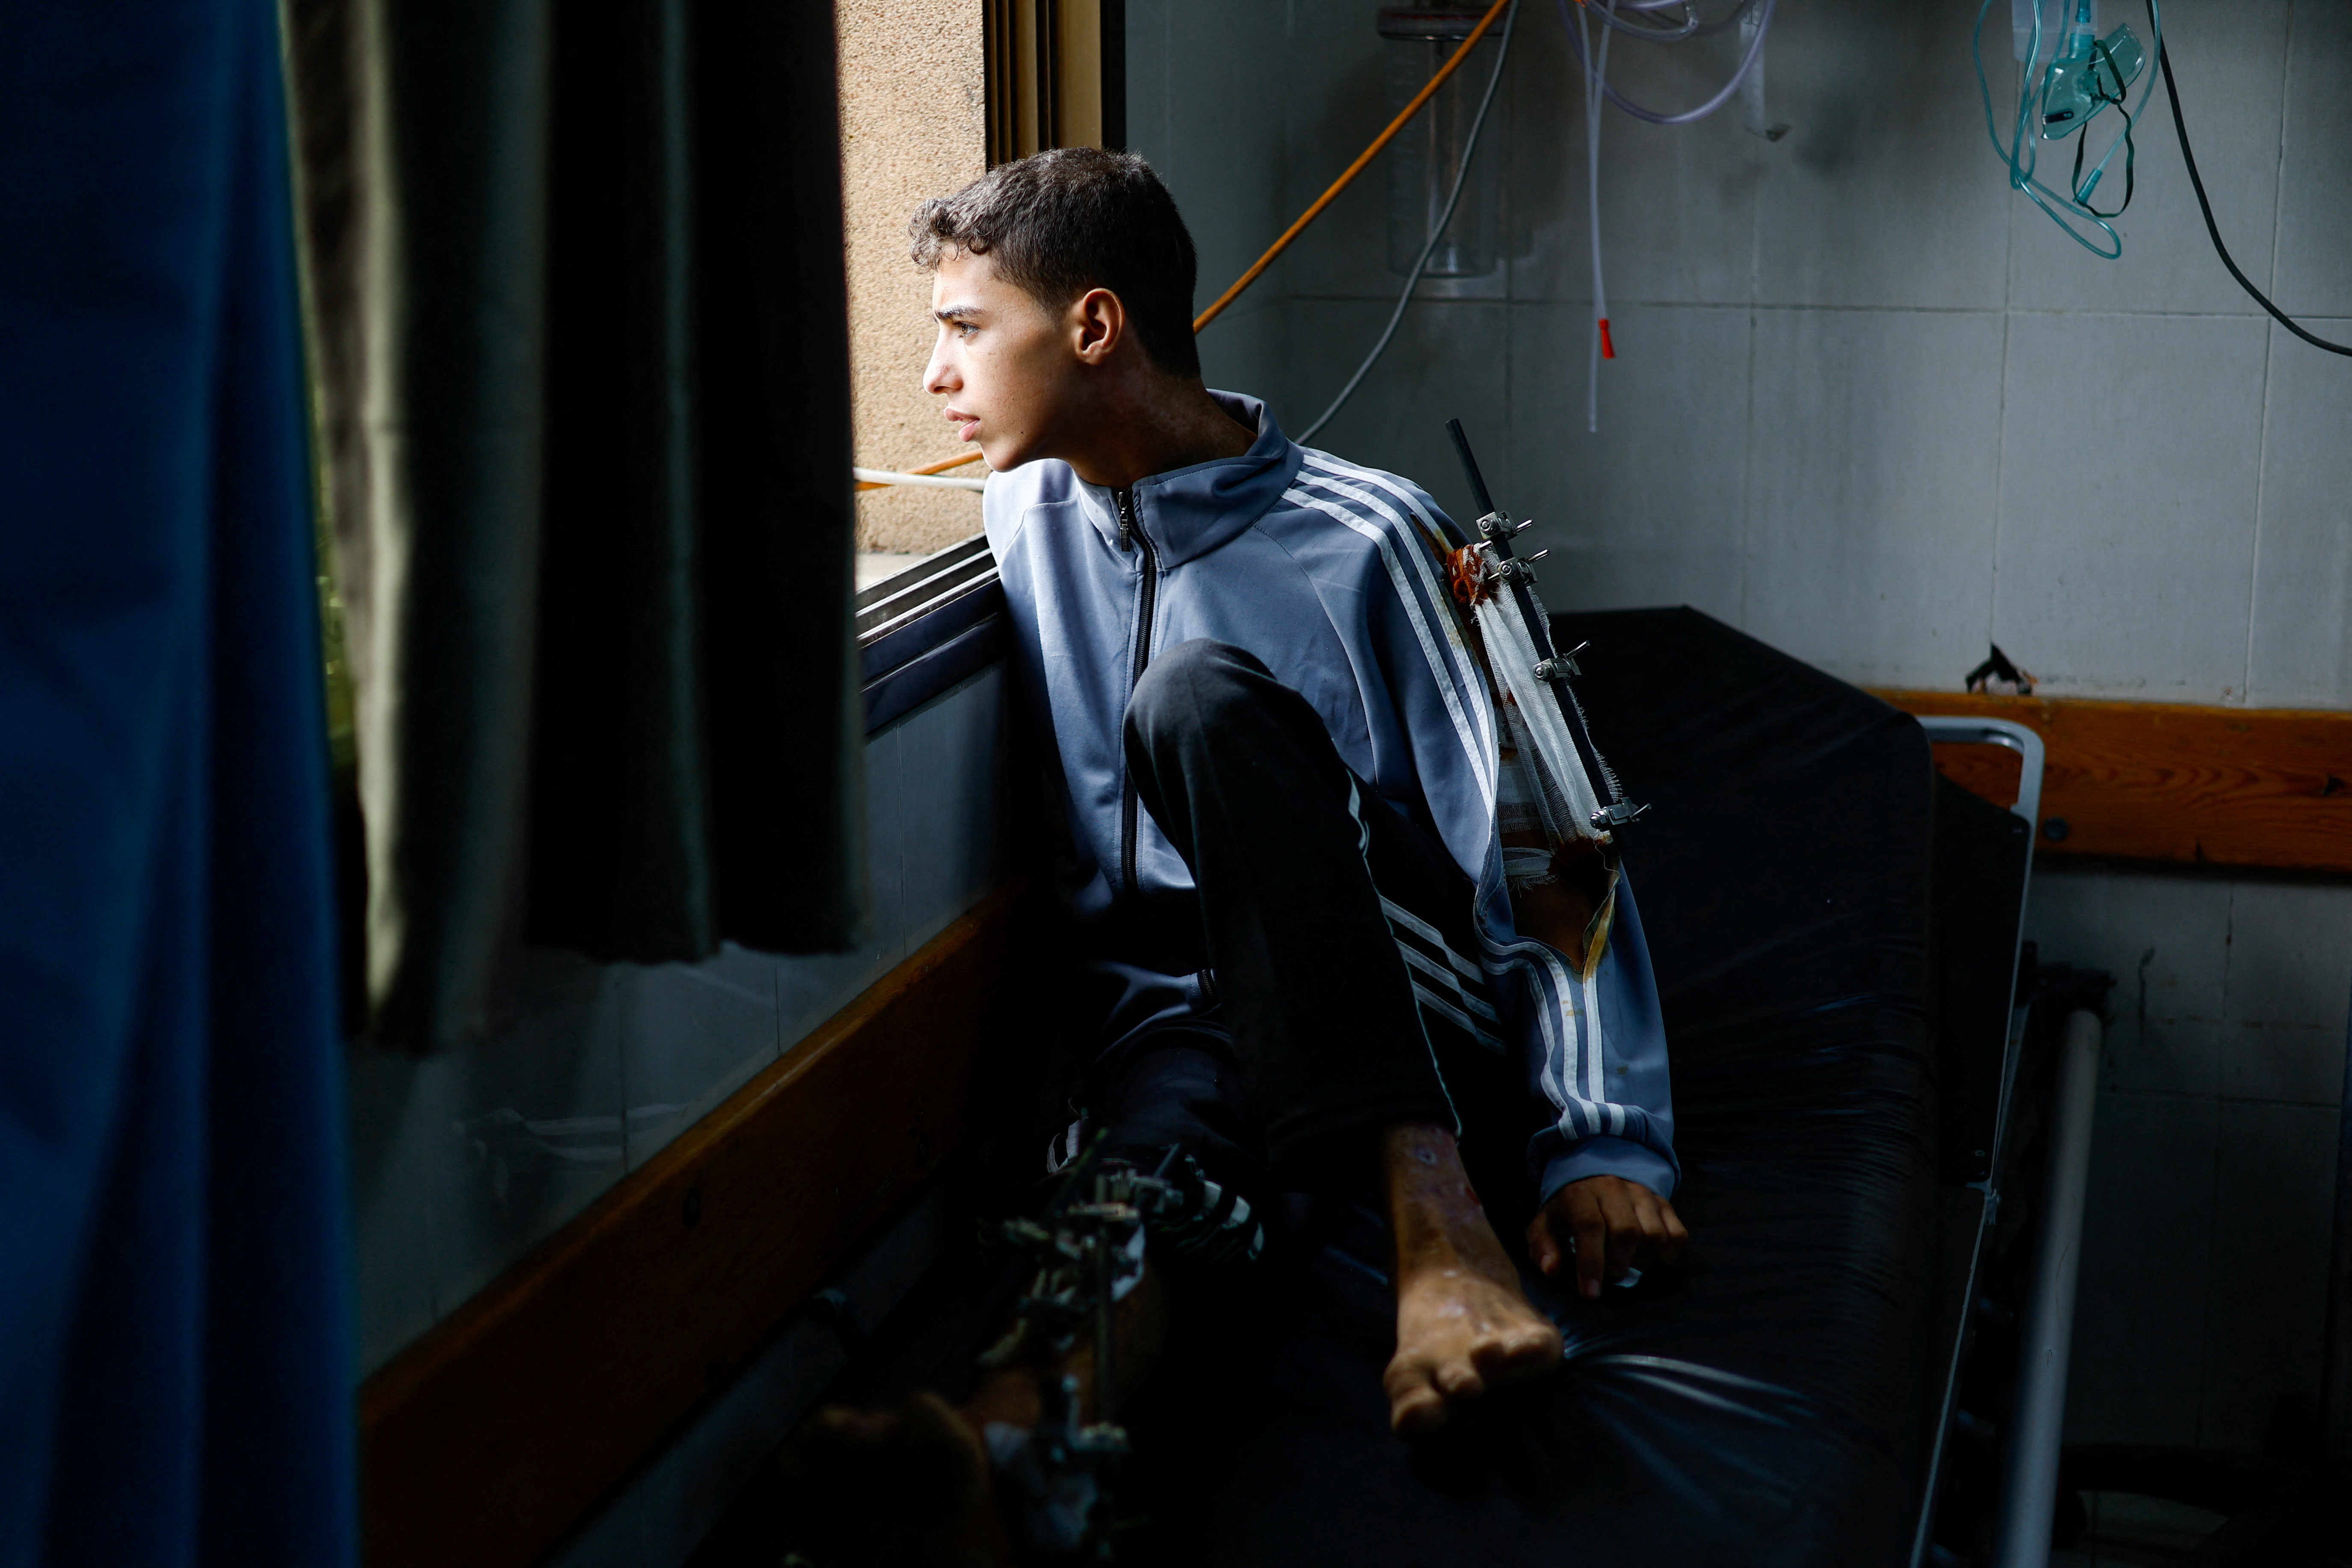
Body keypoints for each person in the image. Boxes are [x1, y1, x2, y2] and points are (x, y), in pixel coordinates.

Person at [802, 146, 1687, 1559]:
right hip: (1183, 1017)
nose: (934, 377)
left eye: (966, 329)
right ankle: (1003, 1437)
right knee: (1152, 1173)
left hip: (1396, 992)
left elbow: (1544, 853)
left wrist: (1602, 1138)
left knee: (1196, 700)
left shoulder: (1368, 534)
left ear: (1093, 330)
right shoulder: (1027, 513)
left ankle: (1437, 1236)